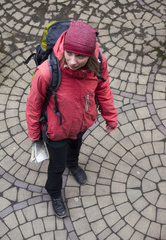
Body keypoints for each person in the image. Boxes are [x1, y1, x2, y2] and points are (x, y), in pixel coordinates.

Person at [26, 20, 117, 218]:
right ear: (64, 46)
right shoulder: (46, 72)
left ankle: (73, 164)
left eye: (80, 56)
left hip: (80, 124)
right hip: (55, 131)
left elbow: (103, 88)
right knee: (56, 167)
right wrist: (34, 134)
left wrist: (110, 117)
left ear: (91, 54)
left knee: (75, 146)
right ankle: (54, 192)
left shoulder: (99, 62)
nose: (73, 61)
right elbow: (33, 105)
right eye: (69, 53)